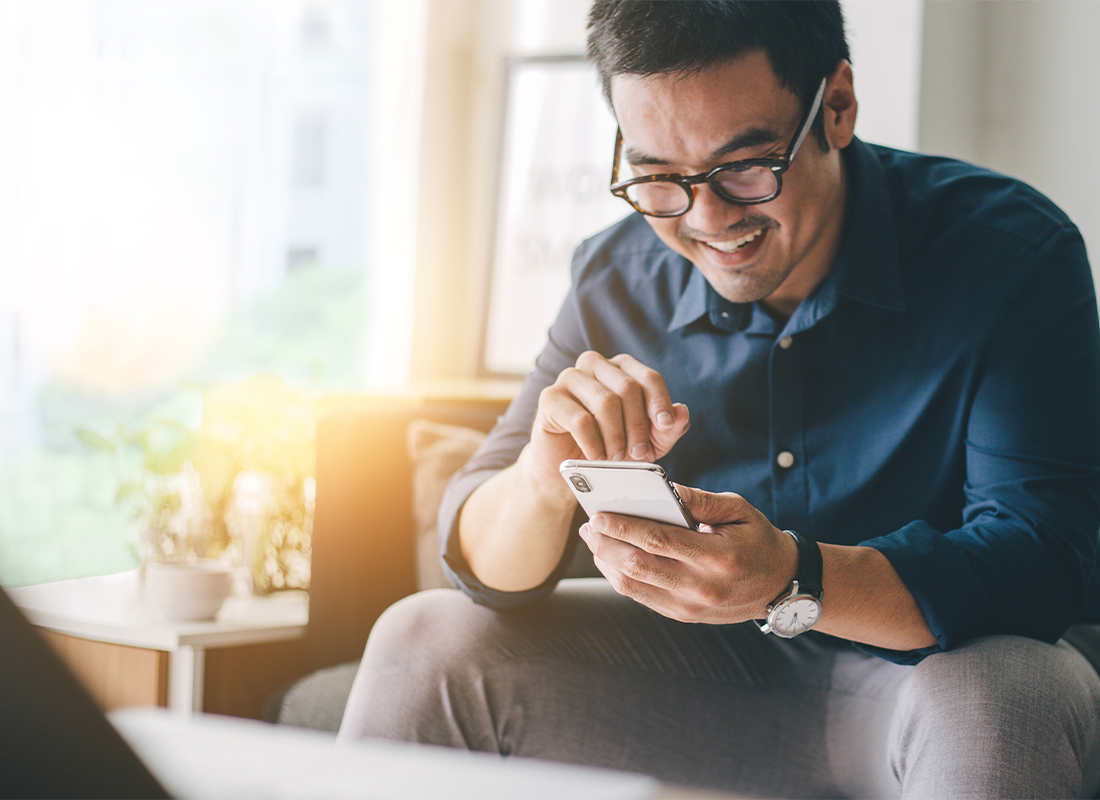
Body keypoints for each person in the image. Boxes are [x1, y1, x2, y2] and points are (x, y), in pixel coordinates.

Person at [339, 2, 1100, 796]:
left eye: (746, 167)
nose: (707, 219)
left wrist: (793, 579)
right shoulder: (617, 277)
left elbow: (1041, 562)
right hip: (710, 687)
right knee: (422, 639)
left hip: (938, 682)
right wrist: (539, 477)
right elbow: (479, 561)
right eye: (659, 175)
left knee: (1000, 694)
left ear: (836, 105)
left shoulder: (1009, 254)